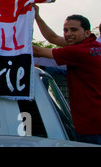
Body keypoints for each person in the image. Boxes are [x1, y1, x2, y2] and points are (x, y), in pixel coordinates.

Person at [33, 14, 101, 145]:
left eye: (73, 30)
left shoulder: (78, 51)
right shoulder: (93, 45)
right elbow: (52, 38)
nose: (68, 33)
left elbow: (36, 51)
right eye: (65, 30)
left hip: (90, 125)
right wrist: (37, 16)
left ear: (87, 33)